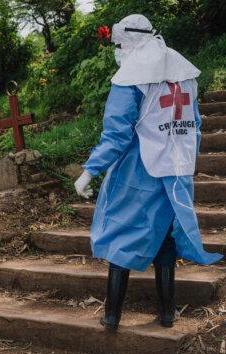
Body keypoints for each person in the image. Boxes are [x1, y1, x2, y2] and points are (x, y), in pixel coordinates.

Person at [74, 14, 223, 331]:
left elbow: (116, 135)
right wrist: (184, 163)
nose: (116, 51)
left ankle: (113, 316)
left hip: (137, 173)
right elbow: (193, 126)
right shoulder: (183, 72)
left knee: (120, 234)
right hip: (176, 171)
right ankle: (168, 315)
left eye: (118, 45)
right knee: (165, 241)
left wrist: (89, 171)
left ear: (128, 42)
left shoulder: (131, 78)